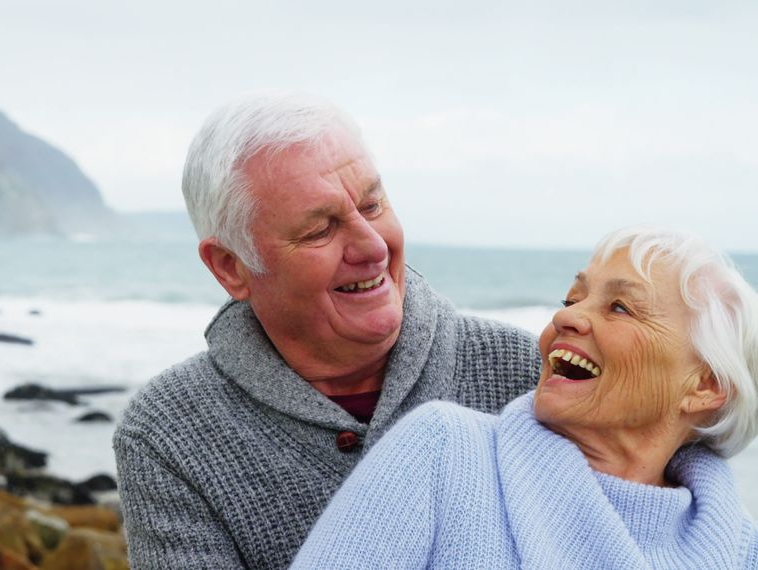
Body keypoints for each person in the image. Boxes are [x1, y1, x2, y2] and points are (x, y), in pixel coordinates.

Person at [112, 91, 542, 569]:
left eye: (373, 205)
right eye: (320, 231)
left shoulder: (523, 372)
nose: (374, 246)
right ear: (231, 267)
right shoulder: (169, 433)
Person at [292, 226, 758, 569]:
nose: (569, 319)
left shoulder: (741, 548)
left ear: (707, 386)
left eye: (620, 307)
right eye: (571, 299)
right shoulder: (444, 451)